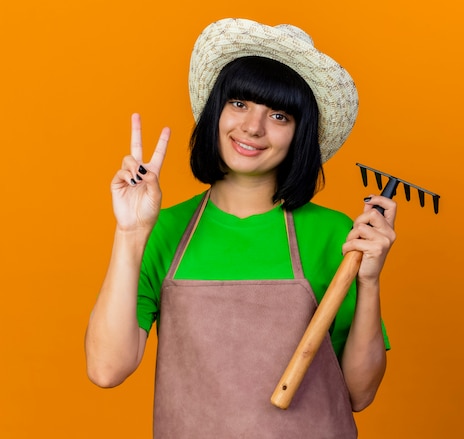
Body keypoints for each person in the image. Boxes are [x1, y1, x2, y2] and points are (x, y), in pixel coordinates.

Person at [85, 17, 396, 438]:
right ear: (217, 110)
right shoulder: (163, 229)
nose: (253, 126)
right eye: (239, 103)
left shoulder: (334, 234)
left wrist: (371, 281)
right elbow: (106, 368)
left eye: (280, 115)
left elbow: (359, 393)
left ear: (299, 135)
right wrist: (130, 233)